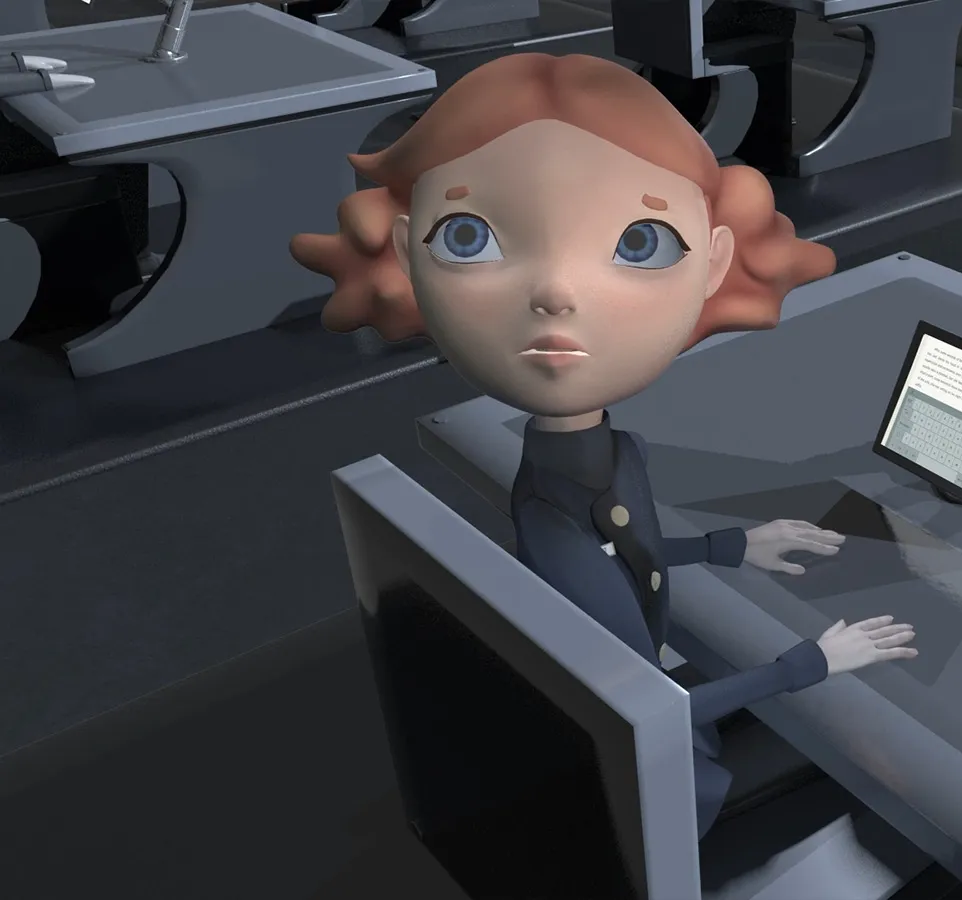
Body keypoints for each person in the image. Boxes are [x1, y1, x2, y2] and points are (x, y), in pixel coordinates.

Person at [290, 53, 917, 838]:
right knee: (881, 762)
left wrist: (732, 546)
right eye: (469, 236)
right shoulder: (551, 520)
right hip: (671, 791)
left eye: (642, 242)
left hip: (646, 734)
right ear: (410, 256)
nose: (556, 291)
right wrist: (809, 664)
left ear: (715, 262)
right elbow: (649, 709)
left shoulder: (597, 460)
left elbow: (627, 549)